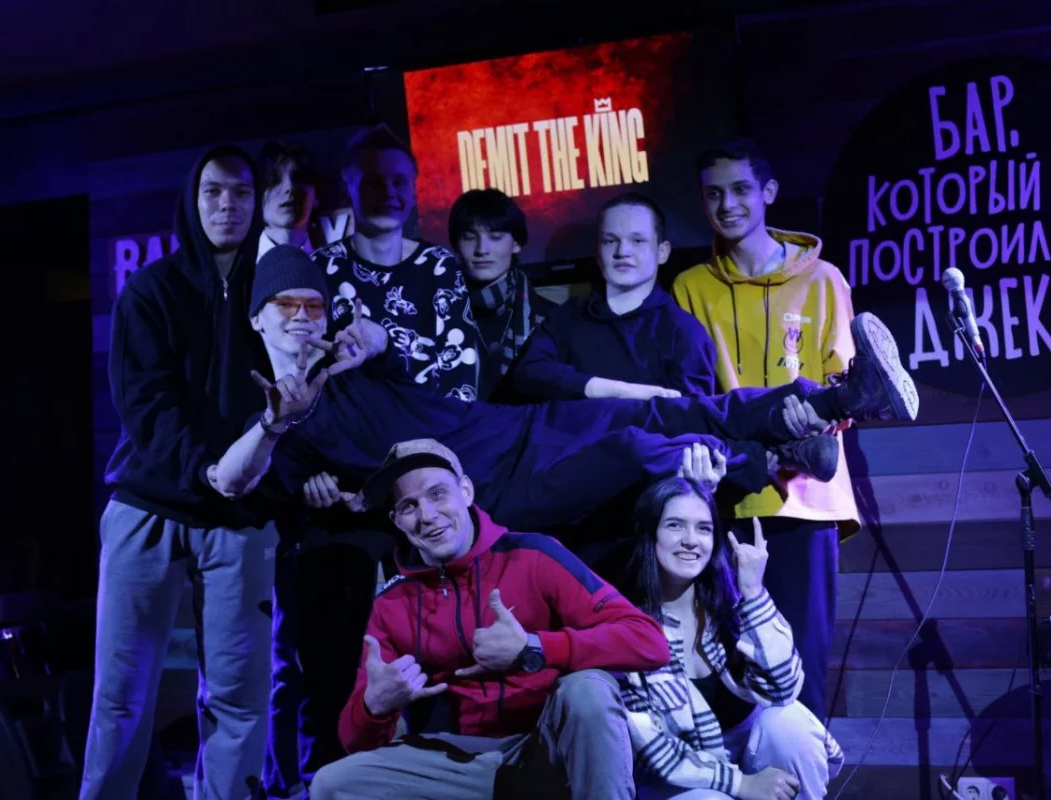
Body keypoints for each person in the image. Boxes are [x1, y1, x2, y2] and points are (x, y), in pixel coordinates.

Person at [213, 246, 918, 536]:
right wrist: (276, 427)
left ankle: (837, 401)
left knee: (663, 408)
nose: (302, 318)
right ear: (257, 318)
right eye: (286, 306)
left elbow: (381, 342)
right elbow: (228, 481)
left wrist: (370, 337)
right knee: (637, 449)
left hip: (518, 428)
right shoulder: (274, 422)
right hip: (494, 493)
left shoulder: (354, 360)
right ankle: (772, 456)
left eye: (313, 304)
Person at [306, 437, 673, 799]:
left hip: (547, 752)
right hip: (461, 765)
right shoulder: (392, 603)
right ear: (396, 521)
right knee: (332, 784)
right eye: (409, 506)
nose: (427, 516)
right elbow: (356, 742)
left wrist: (534, 648)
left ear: (465, 491)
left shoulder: (533, 556)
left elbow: (649, 641)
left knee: (589, 689)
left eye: (437, 494)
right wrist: (375, 707)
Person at [80, 145, 278, 800]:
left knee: (239, 699)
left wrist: (242, 479)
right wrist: (208, 471)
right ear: (192, 201)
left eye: (241, 192)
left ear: (257, 201)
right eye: (213, 191)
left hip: (239, 514)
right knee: (120, 697)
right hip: (149, 505)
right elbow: (145, 408)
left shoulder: (277, 293)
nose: (227, 205)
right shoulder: (150, 290)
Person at [672, 138, 873, 718]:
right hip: (725, 495)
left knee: (800, 662)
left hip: (805, 500)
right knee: (728, 663)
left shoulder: (824, 280)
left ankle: (804, 767)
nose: (727, 204)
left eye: (740, 190)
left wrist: (813, 421)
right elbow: (692, 394)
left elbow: (844, 388)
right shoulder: (689, 287)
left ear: (769, 193)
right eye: (714, 194)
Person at [618, 477, 843, 799]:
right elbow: (652, 747)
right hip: (681, 780)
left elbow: (783, 688)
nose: (691, 540)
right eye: (675, 525)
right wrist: (741, 784)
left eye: (703, 528)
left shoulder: (730, 608)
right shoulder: (626, 628)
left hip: (749, 758)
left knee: (788, 722)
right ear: (650, 533)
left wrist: (753, 591)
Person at [313, 123, 480, 401]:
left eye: (399, 182)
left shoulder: (439, 267)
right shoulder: (320, 267)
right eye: (373, 183)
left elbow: (459, 376)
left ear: (413, 192)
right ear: (347, 189)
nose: (388, 193)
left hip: (430, 423)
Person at [512, 192, 716, 402]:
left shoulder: (683, 331)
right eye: (610, 241)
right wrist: (614, 390)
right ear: (597, 251)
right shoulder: (566, 317)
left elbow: (691, 412)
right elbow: (528, 374)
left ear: (662, 252)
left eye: (637, 240)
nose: (622, 251)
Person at [448, 188, 555, 401]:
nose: (481, 249)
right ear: (456, 245)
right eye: (469, 237)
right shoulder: (441, 314)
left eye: (495, 237)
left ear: (516, 244)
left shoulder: (551, 318)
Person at [256, 141, 324, 261]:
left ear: (316, 195)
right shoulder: (240, 267)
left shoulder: (331, 265)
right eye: (274, 180)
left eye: (299, 179)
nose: (290, 187)